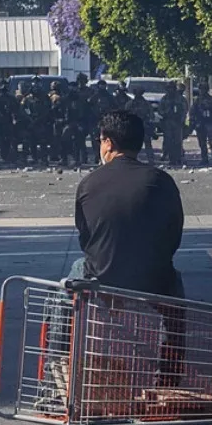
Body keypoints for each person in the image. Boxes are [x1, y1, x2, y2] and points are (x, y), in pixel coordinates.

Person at [70, 109, 186, 386]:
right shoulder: (161, 181)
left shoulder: (89, 184)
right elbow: (174, 236)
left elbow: (86, 238)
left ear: (108, 142)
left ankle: (58, 365)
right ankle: (168, 377)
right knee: (175, 296)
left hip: (102, 276)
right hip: (154, 279)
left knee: (71, 281)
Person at [189, 82, 212, 166]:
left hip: (210, 123)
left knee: (211, 142)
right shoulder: (197, 100)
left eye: (204, 89)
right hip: (200, 123)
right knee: (202, 142)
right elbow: (192, 112)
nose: (202, 91)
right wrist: (193, 122)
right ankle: (204, 158)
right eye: (201, 89)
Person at [125, 86, 155, 164]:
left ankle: (151, 159)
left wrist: (151, 125)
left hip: (144, 126)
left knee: (147, 143)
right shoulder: (130, 104)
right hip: (134, 126)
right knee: (133, 144)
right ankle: (132, 160)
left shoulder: (146, 104)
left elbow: (152, 115)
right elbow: (126, 115)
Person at [159, 82, 187, 166]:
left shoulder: (180, 99)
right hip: (168, 122)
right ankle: (171, 159)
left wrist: (181, 120)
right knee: (168, 141)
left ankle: (178, 158)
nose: (170, 90)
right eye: (168, 88)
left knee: (178, 141)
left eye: (171, 88)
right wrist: (165, 114)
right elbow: (160, 110)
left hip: (177, 122)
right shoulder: (164, 98)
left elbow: (184, 110)